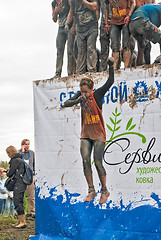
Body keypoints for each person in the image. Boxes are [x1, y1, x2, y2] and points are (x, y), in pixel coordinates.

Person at [62, 57, 114, 204]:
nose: (84, 94)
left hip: (98, 135)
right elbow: (66, 103)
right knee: (85, 161)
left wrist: (110, 65)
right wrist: (78, 99)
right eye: (82, 91)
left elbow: (110, 82)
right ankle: (91, 189)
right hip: (85, 134)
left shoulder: (97, 95)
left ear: (91, 89)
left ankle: (105, 190)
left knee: (98, 162)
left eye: (86, 92)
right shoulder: (80, 96)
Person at [66, 0, 98, 74]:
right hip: (80, 29)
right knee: (81, 51)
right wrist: (67, 23)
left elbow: (94, 7)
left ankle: (91, 70)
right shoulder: (74, 2)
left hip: (92, 27)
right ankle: (80, 71)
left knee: (91, 48)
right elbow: (71, 11)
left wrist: (83, 1)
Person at [105, 0, 136, 69]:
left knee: (126, 45)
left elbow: (133, 3)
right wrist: (106, 22)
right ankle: (115, 68)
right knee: (115, 46)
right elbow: (106, 8)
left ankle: (126, 68)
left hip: (125, 20)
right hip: (114, 21)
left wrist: (129, 15)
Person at [52, 0, 75, 77]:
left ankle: (70, 73)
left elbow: (72, 9)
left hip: (69, 25)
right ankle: (58, 72)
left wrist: (69, 23)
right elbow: (54, 19)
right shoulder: (53, 3)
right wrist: (55, 12)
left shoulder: (66, 1)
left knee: (70, 50)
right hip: (60, 27)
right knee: (59, 50)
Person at [6, 146, 26, 228]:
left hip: (19, 183)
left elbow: (10, 173)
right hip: (21, 182)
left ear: (11, 153)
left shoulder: (15, 160)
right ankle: (19, 221)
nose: (7, 155)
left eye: (8, 153)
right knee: (18, 200)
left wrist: (7, 172)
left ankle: (22, 222)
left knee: (17, 201)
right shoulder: (20, 159)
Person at [19, 139, 35, 218]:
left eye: (28, 144)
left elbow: (35, 164)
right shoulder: (19, 153)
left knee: (31, 196)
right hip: (21, 176)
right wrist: (22, 151)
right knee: (20, 195)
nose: (27, 146)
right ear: (22, 145)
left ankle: (32, 212)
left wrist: (34, 175)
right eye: (25, 144)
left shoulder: (32, 153)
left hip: (30, 176)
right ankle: (20, 213)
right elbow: (18, 161)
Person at [97, 0, 111, 71]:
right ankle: (103, 69)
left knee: (116, 47)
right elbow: (98, 8)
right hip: (104, 22)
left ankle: (115, 67)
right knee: (104, 48)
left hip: (116, 21)